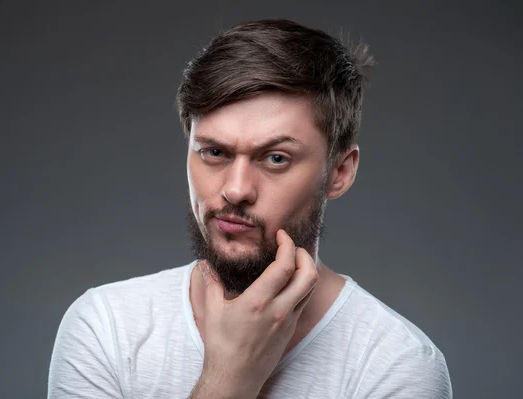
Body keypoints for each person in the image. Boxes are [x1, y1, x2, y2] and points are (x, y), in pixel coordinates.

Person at [47, 18, 452, 398]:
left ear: (339, 173)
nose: (236, 190)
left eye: (276, 158)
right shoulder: (106, 328)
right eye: (214, 152)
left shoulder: (396, 366)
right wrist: (226, 379)